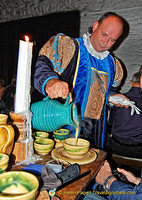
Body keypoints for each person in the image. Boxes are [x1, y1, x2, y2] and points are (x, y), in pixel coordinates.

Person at [33, 12, 128, 149]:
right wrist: (50, 81)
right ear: (95, 26)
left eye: (112, 40)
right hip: (61, 128)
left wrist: (112, 97)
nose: (106, 42)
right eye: (104, 35)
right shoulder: (68, 47)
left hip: (95, 134)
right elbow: (42, 66)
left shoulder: (114, 65)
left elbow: (104, 93)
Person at [106, 70, 142, 158]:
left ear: (131, 83)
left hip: (117, 146)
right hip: (138, 149)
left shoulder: (118, 100)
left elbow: (110, 123)